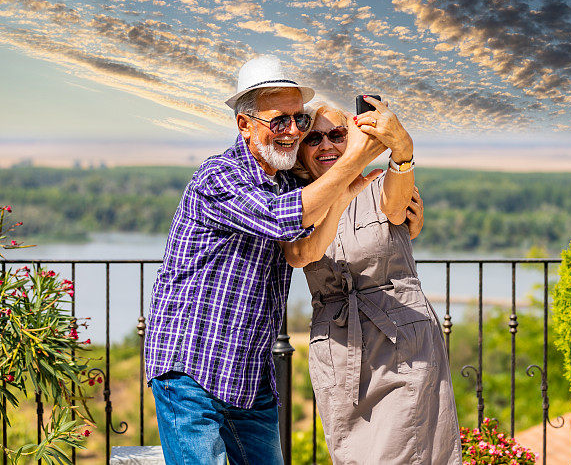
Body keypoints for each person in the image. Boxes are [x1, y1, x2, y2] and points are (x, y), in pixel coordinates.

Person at [143, 55, 385, 465]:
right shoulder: (218, 176)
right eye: (279, 121)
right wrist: (355, 159)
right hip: (192, 370)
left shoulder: (286, 178)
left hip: (250, 379)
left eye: (300, 120)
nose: (293, 131)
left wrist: (397, 189)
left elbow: (303, 247)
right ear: (245, 124)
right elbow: (284, 217)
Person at [289, 100, 462, 465]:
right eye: (313, 138)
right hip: (338, 350)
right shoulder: (295, 202)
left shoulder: (381, 184)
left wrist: (402, 151)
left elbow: (397, 206)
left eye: (337, 135)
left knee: (403, 454)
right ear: (300, 151)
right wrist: (337, 191)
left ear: (353, 139)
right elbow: (300, 253)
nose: (326, 145)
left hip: (400, 344)